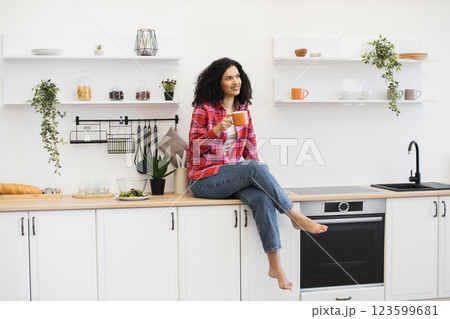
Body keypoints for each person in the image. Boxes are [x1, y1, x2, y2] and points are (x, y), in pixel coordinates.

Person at [187, 57, 327, 291]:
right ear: (217, 82)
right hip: (203, 180)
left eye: (238, 76)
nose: (235, 81)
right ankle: (294, 215)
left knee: (262, 195)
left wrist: (269, 185)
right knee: (253, 169)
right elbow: (193, 150)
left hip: (232, 176)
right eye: (228, 77)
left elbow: (251, 150)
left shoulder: (243, 110)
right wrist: (217, 130)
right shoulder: (204, 109)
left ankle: (276, 267)